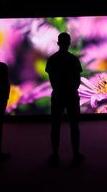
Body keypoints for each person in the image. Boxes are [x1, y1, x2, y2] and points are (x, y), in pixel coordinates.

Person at [45, 32, 84, 166]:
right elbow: (78, 81)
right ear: (69, 43)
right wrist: (72, 88)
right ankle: (76, 154)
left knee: (55, 126)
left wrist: (59, 88)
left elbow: (51, 80)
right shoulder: (74, 59)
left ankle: (55, 154)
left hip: (57, 95)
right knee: (74, 126)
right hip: (72, 95)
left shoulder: (52, 59)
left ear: (58, 43)